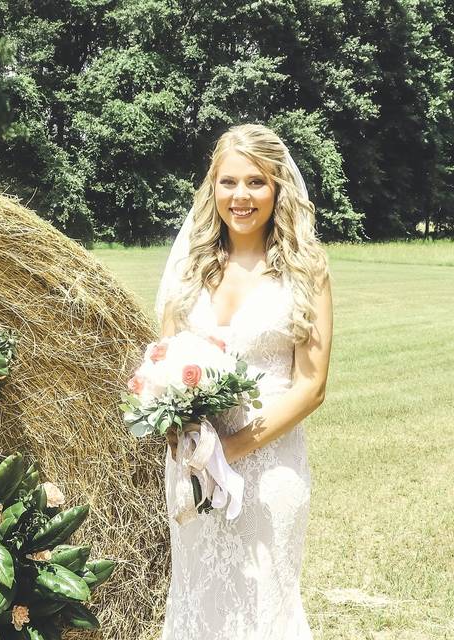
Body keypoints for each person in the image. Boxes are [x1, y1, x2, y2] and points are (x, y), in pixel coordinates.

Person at [155, 123, 333, 639]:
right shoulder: (190, 267)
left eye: (256, 182)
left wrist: (230, 449)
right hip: (194, 466)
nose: (241, 196)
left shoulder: (306, 270)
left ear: (278, 189)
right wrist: (178, 430)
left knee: (265, 606)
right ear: (213, 188)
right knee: (197, 593)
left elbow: (312, 385)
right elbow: (164, 359)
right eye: (228, 182)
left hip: (269, 467)